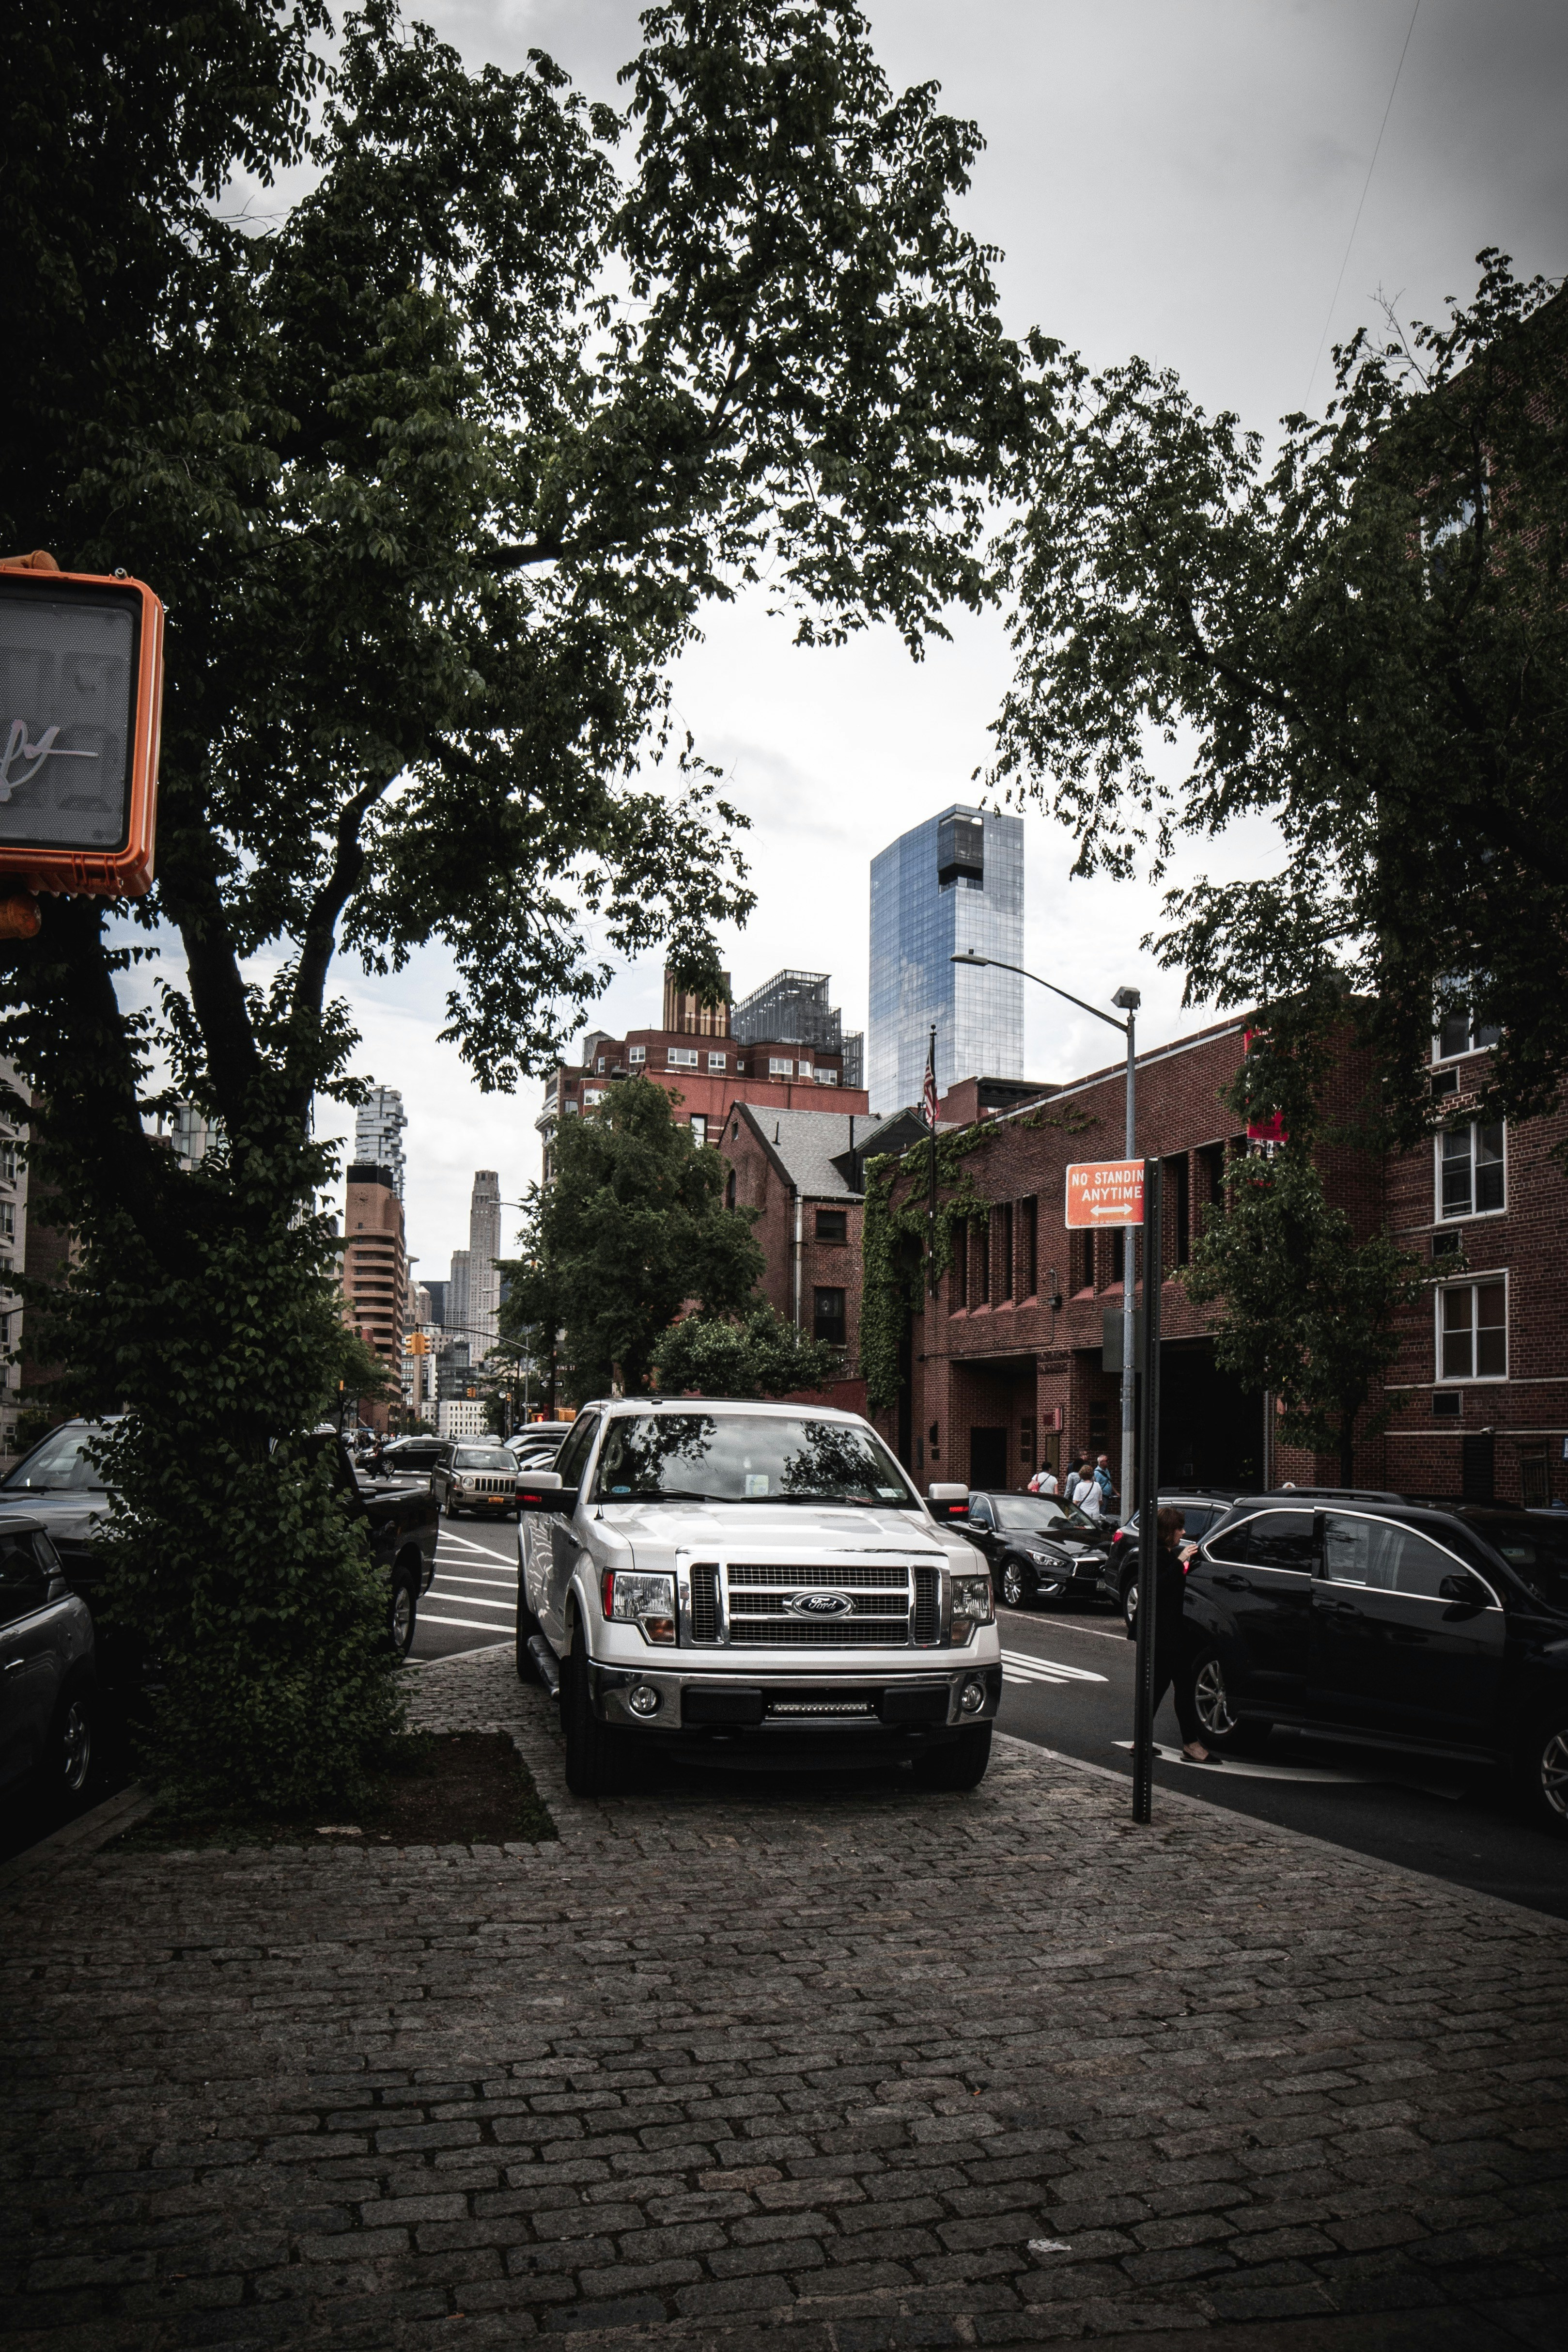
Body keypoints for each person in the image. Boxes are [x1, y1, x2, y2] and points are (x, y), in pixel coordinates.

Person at [1147, 1504, 1211, 1762]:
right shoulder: (1158, 1555)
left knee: (1160, 1686)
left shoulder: (1166, 1553)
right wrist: (1180, 1560)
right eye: (1179, 1528)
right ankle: (1191, 1743)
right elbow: (1158, 1586)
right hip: (1166, 1631)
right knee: (1183, 1686)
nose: (1183, 1532)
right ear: (1167, 1532)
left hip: (1168, 1630)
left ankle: (1142, 1739)